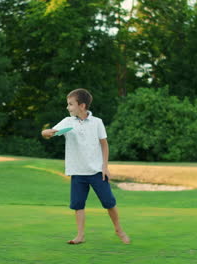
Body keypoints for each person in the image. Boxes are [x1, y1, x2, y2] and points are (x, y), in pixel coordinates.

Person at [41, 88, 130, 245]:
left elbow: (104, 145)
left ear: (81, 106)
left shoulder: (97, 122)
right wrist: (46, 132)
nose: (68, 108)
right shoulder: (67, 121)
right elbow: (51, 132)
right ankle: (80, 236)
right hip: (77, 172)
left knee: (109, 203)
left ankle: (118, 230)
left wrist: (105, 167)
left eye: (70, 104)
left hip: (96, 171)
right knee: (78, 205)